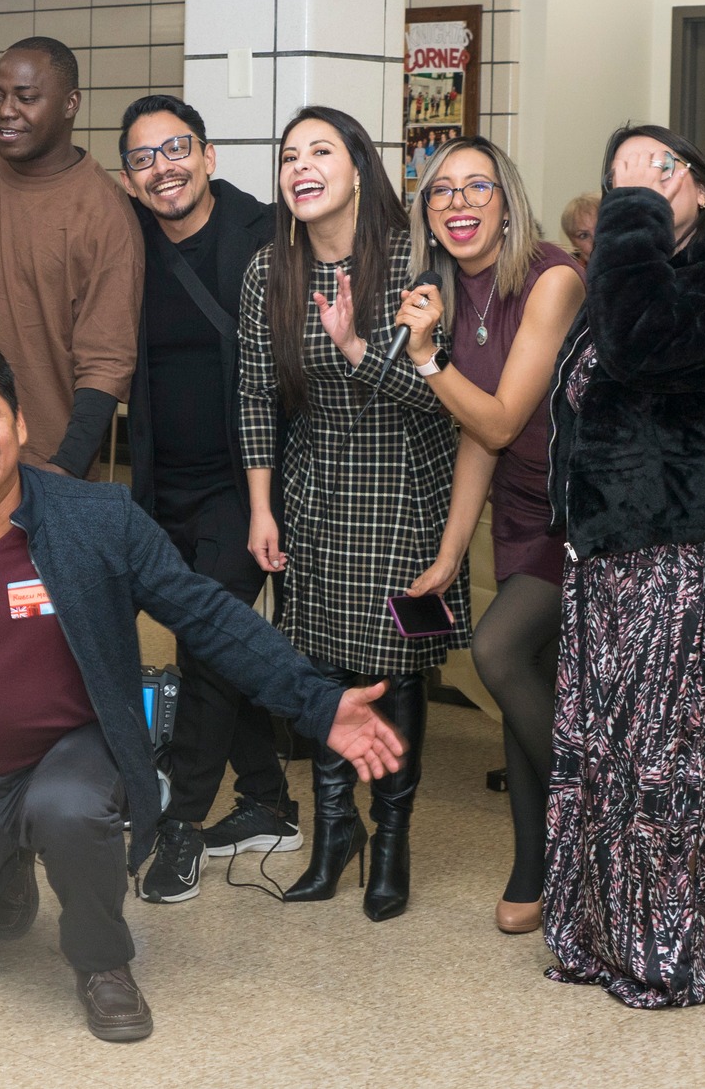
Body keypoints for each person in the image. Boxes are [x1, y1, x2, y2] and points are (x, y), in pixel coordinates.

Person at [0, 339, 406, 1042]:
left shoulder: (97, 520)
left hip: (72, 755)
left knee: (69, 805)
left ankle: (102, 960)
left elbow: (204, 613)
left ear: (19, 425)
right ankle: (3, 858)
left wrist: (317, 702)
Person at [543, 124, 705, 1008]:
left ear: (703, 190)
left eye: (658, 170)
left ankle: (674, 952)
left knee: (667, 771)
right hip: (610, 561)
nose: (635, 186)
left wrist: (630, 213)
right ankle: (600, 936)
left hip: (680, 563)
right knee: (604, 762)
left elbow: (643, 341)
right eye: (620, 178)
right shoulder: (629, 281)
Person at [240, 105, 465, 923]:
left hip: (407, 486)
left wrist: (356, 351)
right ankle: (334, 833)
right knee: (319, 663)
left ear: (359, 168)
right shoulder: (270, 270)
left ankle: (392, 835)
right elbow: (255, 396)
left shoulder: (416, 261)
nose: (301, 165)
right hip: (313, 489)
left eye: (320, 151)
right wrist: (263, 507)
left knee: (398, 669)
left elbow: (445, 404)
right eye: (289, 154)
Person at [388, 137, 584, 934]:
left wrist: (429, 358)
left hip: (586, 507)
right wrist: (448, 550)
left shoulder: (554, 276)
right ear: (426, 215)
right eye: (442, 193)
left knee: (500, 651)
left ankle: (598, 808)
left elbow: (500, 416)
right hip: (518, 505)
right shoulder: (447, 290)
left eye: (478, 187)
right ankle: (534, 871)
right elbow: (480, 435)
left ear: (508, 201)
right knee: (522, 675)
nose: (460, 204)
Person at [113, 95, 300, 905]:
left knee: (206, 637)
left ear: (210, 155)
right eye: (146, 157)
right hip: (161, 486)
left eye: (177, 148)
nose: (165, 167)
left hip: (247, 484)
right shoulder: (129, 246)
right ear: (130, 176)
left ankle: (180, 823)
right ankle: (266, 799)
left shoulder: (264, 237)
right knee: (217, 640)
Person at [0, 36, 142, 477]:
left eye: (26, 98)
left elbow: (106, 362)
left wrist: (67, 466)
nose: (5, 111)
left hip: (47, 461)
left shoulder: (105, 213)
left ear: (70, 103)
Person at [560, 191, 599, 265]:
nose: (595, 241)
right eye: (584, 236)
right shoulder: (569, 273)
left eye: (600, 228)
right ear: (573, 244)